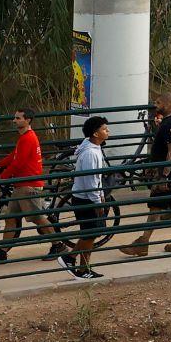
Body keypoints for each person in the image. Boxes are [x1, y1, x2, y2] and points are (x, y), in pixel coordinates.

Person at [119, 92, 171, 257]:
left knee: (155, 206)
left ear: (167, 105)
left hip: (167, 173)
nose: (155, 105)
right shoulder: (169, 121)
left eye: (158, 102)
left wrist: (165, 175)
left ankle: (143, 242)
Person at [0, 108, 61, 263]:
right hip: (20, 186)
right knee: (10, 219)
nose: (14, 120)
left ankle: (58, 244)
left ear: (27, 120)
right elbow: (14, 156)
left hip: (28, 186)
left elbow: (19, 162)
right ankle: (2, 252)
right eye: (15, 118)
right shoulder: (24, 138)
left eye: (18, 118)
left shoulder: (27, 138)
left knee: (38, 218)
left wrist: (2, 175)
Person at [59, 116, 109, 279]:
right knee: (89, 234)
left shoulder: (94, 148)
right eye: (104, 129)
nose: (107, 131)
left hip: (87, 197)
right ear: (95, 133)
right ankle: (75, 262)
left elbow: (95, 179)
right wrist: (97, 201)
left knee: (90, 234)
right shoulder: (90, 153)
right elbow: (90, 181)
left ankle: (82, 266)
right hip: (86, 199)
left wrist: (100, 196)